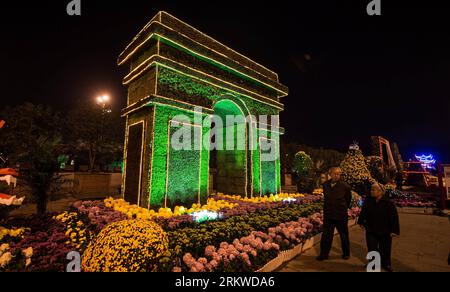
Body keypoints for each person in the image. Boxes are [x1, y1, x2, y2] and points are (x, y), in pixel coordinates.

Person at [358, 183, 400, 272]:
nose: (371, 191)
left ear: (381, 192)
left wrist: (394, 230)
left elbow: (393, 217)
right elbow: (363, 212)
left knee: (385, 248)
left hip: (385, 230)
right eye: (371, 189)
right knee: (372, 247)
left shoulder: (388, 203)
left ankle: (386, 264)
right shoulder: (368, 200)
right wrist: (361, 222)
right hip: (371, 229)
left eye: (374, 190)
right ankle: (373, 263)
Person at [317, 167, 352, 261]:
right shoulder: (325, 185)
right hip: (329, 214)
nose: (337, 176)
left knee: (343, 235)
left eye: (338, 174)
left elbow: (348, 200)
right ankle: (323, 254)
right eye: (335, 173)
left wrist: (343, 207)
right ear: (330, 174)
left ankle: (346, 253)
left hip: (341, 215)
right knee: (326, 235)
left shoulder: (345, 186)